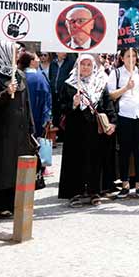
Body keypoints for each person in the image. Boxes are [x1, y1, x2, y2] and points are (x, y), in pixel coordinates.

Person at [0, 41, 36, 218]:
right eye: (12, 53)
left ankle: (14, 203)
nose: (17, 56)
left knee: (16, 168)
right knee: (1, 168)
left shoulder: (19, 75)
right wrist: (5, 93)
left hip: (20, 131)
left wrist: (31, 128)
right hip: (1, 131)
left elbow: (26, 104)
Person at [57, 54, 116, 207]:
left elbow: (108, 105)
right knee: (75, 161)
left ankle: (94, 191)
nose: (85, 67)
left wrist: (112, 123)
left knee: (95, 160)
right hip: (75, 129)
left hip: (94, 130)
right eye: (82, 64)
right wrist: (73, 104)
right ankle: (75, 193)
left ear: (93, 67)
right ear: (77, 66)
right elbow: (60, 108)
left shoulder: (100, 84)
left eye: (89, 65)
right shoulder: (69, 84)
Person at [108, 47, 139, 198]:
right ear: (122, 58)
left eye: (134, 55)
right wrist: (126, 88)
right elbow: (111, 95)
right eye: (128, 56)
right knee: (125, 151)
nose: (132, 58)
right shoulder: (116, 73)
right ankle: (125, 184)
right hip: (124, 116)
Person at [22, 52, 52, 141]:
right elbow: (47, 100)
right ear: (32, 62)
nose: (39, 60)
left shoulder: (18, 76)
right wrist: (47, 118)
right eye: (37, 58)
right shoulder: (40, 78)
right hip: (37, 117)